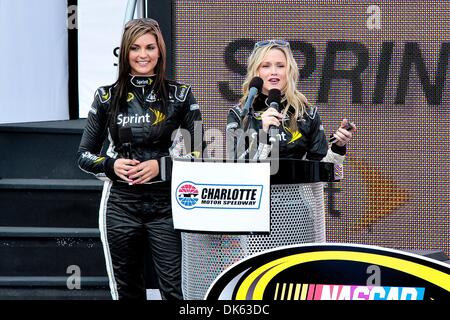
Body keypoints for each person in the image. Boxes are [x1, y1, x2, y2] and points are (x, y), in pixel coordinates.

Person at [77, 18, 203, 300]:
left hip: (168, 205)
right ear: (124, 52)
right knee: (127, 291)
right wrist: (111, 165)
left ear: (160, 51)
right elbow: (84, 156)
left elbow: (199, 153)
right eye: (134, 48)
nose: (142, 55)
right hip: (121, 205)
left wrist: (162, 167)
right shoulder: (106, 97)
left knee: (176, 291)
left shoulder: (181, 95)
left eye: (149, 47)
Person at [227, 39, 356, 163]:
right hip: (259, 186)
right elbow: (238, 170)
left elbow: (321, 173)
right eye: (266, 66)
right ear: (256, 71)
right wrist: (264, 133)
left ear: (289, 70)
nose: (274, 72)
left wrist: (338, 147)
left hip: (297, 186)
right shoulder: (239, 113)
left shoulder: (306, 113)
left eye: (280, 66)